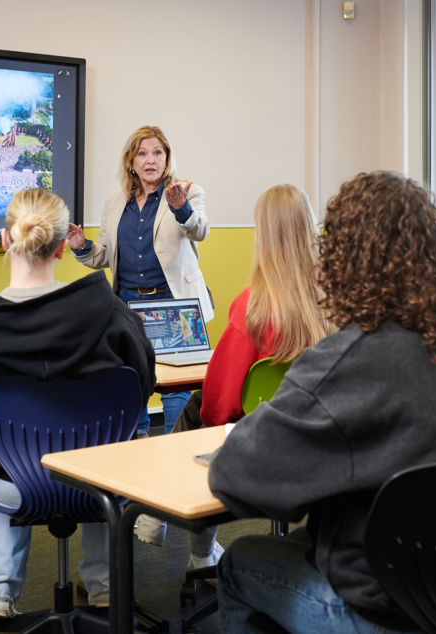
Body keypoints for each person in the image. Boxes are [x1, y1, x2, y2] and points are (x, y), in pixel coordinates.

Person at [208, 171, 436, 633]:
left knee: (240, 562)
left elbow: (234, 476)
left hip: (392, 612)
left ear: (343, 259)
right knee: (301, 540)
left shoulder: (351, 358)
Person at [0, 188, 155, 621]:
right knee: (101, 462)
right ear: (64, 247)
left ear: (5, 240)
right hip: (95, 485)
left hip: (13, 485)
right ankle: (105, 588)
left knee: (6, 463)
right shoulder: (116, 317)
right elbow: (142, 388)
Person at [181, 184, 332, 574]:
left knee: (196, 412)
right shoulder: (334, 301)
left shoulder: (252, 306)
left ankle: (178, 530)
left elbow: (222, 405)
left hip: (260, 438)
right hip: (320, 440)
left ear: (262, 234)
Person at [66, 125, 212, 440]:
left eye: (157, 152)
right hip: (127, 304)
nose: (150, 160)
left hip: (174, 303)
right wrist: (81, 246)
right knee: (131, 379)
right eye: (142, 153)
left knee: (175, 387)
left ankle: (177, 448)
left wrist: (180, 208)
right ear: (131, 161)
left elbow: (200, 231)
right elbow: (105, 257)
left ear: (167, 158)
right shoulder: (115, 202)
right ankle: (138, 443)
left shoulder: (187, 192)